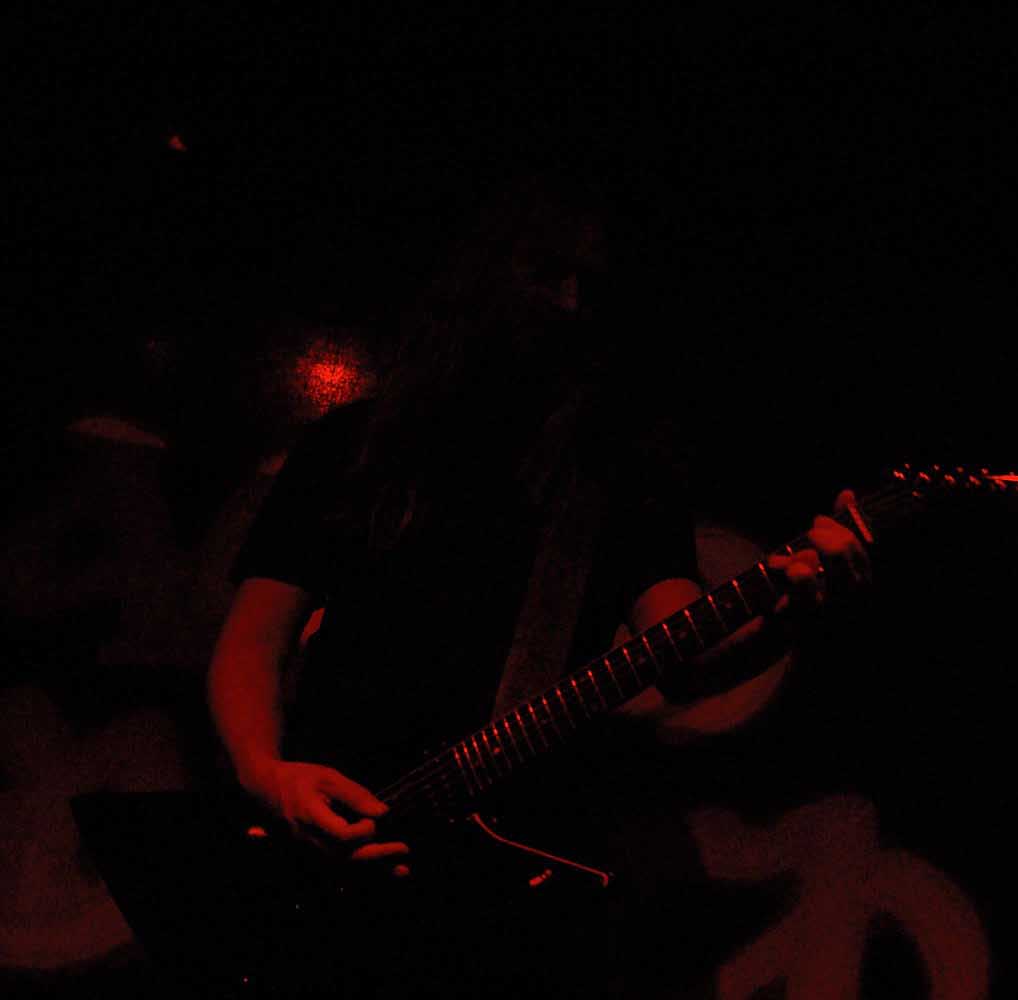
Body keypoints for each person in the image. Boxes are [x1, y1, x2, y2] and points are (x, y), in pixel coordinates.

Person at [204, 171, 870, 995]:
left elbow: (688, 653)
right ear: (483, 272)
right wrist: (268, 775)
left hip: (498, 894)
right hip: (324, 848)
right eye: (547, 271)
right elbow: (253, 640)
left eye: (592, 286)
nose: (569, 304)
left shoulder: (618, 478)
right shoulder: (354, 446)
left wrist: (792, 611)